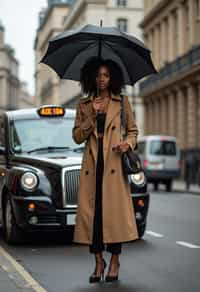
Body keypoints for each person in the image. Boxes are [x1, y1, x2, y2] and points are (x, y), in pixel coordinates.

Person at [72, 57, 139, 283]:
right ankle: (98, 261)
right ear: (92, 77)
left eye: (106, 75)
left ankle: (115, 261)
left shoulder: (122, 102)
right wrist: (92, 115)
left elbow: (133, 131)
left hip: (114, 164)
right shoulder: (84, 104)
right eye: (98, 75)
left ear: (113, 78)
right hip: (93, 166)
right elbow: (77, 137)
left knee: (114, 217)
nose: (102, 79)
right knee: (95, 217)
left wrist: (127, 144)